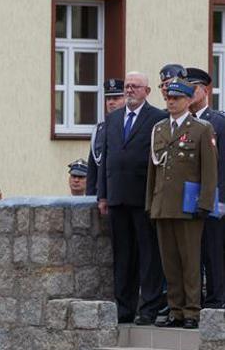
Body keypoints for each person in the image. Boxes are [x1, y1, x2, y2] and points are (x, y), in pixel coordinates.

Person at [97, 71, 169, 325]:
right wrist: (102, 194)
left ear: (146, 92)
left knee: (148, 255)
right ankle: (124, 307)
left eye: (135, 87)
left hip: (144, 198)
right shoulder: (113, 119)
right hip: (117, 198)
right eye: (127, 86)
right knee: (123, 255)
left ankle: (149, 307)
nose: (129, 90)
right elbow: (106, 157)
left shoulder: (158, 118)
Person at [146, 78, 217, 329]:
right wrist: (150, 204)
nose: (171, 102)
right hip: (164, 204)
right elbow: (153, 172)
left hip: (189, 206)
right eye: (168, 98)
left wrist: (205, 203)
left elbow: (209, 170)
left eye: (176, 98)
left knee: (190, 260)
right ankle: (175, 310)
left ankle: (191, 311)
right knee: (170, 262)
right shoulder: (160, 128)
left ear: (188, 100)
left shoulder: (201, 128)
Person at [186, 67, 225, 309]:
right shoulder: (183, 122)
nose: (190, 92)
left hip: (214, 197)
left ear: (205, 90)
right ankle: (194, 302)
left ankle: (216, 300)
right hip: (189, 198)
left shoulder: (217, 122)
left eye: (194, 88)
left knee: (213, 252)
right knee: (192, 254)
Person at [87, 79, 125, 195]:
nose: (111, 102)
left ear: (125, 99)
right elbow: (93, 169)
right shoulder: (99, 130)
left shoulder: (131, 128)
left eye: (116, 98)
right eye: (108, 99)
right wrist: (89, 197)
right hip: (102, 194)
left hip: (123, 193)